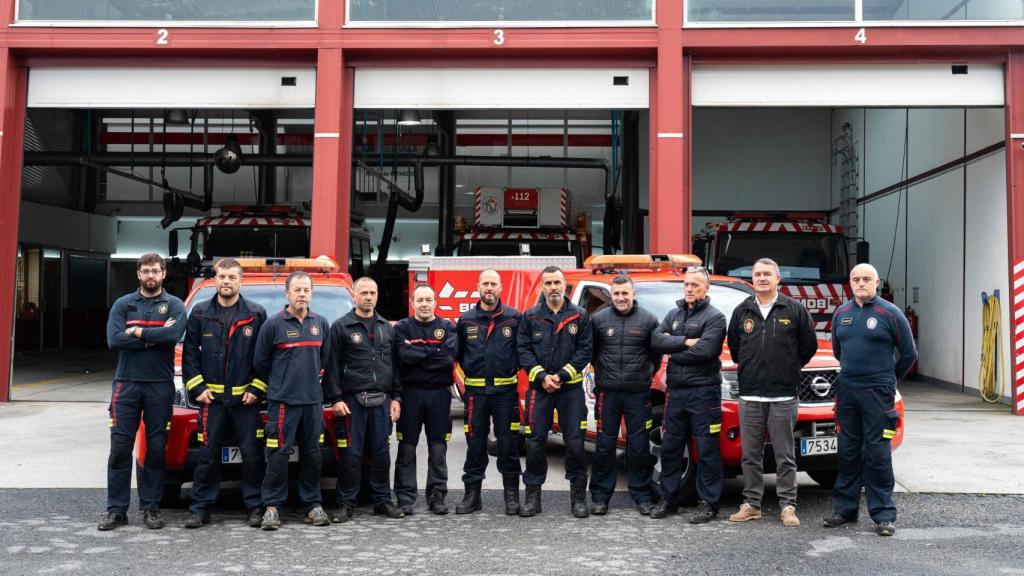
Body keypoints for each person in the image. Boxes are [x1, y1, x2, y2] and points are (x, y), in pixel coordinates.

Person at [824, 263, 917, 537]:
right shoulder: (841, 313)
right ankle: (845, 511)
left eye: (866, 279)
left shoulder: (890, 313)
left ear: (876, 283)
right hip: (848, 392)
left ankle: (883, 516)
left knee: (877, 454)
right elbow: (839, 352)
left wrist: (888, 380)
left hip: (879, 394)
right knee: (848, 452)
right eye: (856, 279)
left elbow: (909, 354)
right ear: (850, 283)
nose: (861, 283)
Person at [726, 258, 817, 527]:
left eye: (768, 274)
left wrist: (788, 368)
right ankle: (752, 504)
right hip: (751, 394)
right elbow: (734, 347)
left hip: (783, 395)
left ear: (778, 279)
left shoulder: (795, 309)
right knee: (750, 455)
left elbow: (808, 346)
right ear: (752, 280)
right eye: (757, 274)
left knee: (784, 455)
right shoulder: (742, 311)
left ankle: (788, 506)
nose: (762, 278)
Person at [99, 253, 186, 531]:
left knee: (156, 449)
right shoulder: (123, 304)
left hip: (159, 386)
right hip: (126, 385)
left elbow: (173, 337)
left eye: (155, 271)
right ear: (138, 274)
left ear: (164, 274)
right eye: (146, 271)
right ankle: (116, 510)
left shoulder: (174, 305)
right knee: (120, 449)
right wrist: (154, 337)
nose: (151, 275)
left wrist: (136, 333)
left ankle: (151, 508)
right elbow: (114, 340)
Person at [182, 258, 268, 529]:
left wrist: (257, 388)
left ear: (241, 281)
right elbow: (189, 356)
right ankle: (200, 508)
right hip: (212, 403)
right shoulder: (199, 313)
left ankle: (256, 506)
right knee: (207, 455)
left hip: (247, 403)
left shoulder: (256, 314)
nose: (226, 282)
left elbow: (265, 357)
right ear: (215, 279)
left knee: (253, 456)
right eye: (222, 277)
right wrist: (197, 388)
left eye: (232, 277)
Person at [253, 271, 332, 530]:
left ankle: (312, 505)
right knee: (278, 455)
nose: (301, 294)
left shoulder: (320, 323)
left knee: (313, 455)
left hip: (312, 402)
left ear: (311, 293)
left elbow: (326, 361)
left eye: (306, 290)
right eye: (297, 290)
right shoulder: (273, 325)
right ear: (287, 293)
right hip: (283, 403)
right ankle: (272, 508)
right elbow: (261, 363)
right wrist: (282, 384)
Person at [322, 277, 404, 522]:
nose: (369, 297)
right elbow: (331, 366)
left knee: (381, 454)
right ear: (354, 296)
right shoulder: (340, 326)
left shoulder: (386, 327)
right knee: (351, 455)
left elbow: (395, 366)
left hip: (382, 401)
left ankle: (382, 501)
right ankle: (346, 504)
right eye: (364, 293)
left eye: (373, 292)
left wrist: (397, 398)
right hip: (352, 402)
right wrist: (335, 398)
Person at [649, 266, 727, 523]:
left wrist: (675, 348)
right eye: (686, 284)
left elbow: (706, 351)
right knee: (671, 448)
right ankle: (668, 499)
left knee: (706, 450)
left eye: (695, 285)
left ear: (706, 288)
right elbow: (656, 341)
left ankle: (708, 504)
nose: (690, 289)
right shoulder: (673, 313)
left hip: (704, 393)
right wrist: (684, 341)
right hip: (675, 393)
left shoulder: (715, 318)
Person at [517, 266, 593, 518]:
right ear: (542, 286)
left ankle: (578, 498)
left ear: (564, 286)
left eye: (557, 283)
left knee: (575, 443)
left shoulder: (580, 316)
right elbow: (523, 351)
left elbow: (585, 351)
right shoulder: (530, 316)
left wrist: (560, 376)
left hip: (569, 390)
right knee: (536, 442)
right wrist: (541, 376)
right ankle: (532, 497)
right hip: (540, 390)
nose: (553, 287)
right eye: (548, 283)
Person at [587, 275, 660, 516]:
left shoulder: (649, 320)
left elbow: (655, 358)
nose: (621, 298)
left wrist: (641, 376)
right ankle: (599, 497)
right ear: (611, 295)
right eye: (616, 294)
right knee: (605, 446)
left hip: (638, 394)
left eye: (625, 293)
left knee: (639, 447)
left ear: (633, 294)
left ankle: (642, 496)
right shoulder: (598, 320)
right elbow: (592, 354)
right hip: (607, 393)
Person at [455, 270, 524, 515]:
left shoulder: (515, 318)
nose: (489, 288)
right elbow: (458, 355)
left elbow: (522, 352)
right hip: (476, 394)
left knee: (508, 444)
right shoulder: (465, 320)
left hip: (506, 393)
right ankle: (472, 496)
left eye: (494, 283)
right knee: (475, 444)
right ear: (478, 287)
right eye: (485, 283)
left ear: (501, 287)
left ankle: (512, 497)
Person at [392, 284, 458, 515]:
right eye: (419, 300)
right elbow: (402, 356)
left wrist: (417, 354)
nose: (424, 304)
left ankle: (437, 495)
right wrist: (434, 353)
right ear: (412, 303)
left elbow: (448, 359)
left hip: (440, 394)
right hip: (410, 394)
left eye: (428, 300)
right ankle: (405, 496)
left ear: (435, 303)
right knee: (407, 448)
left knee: (438, 447)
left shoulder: (447, 327)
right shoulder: (401, 328)